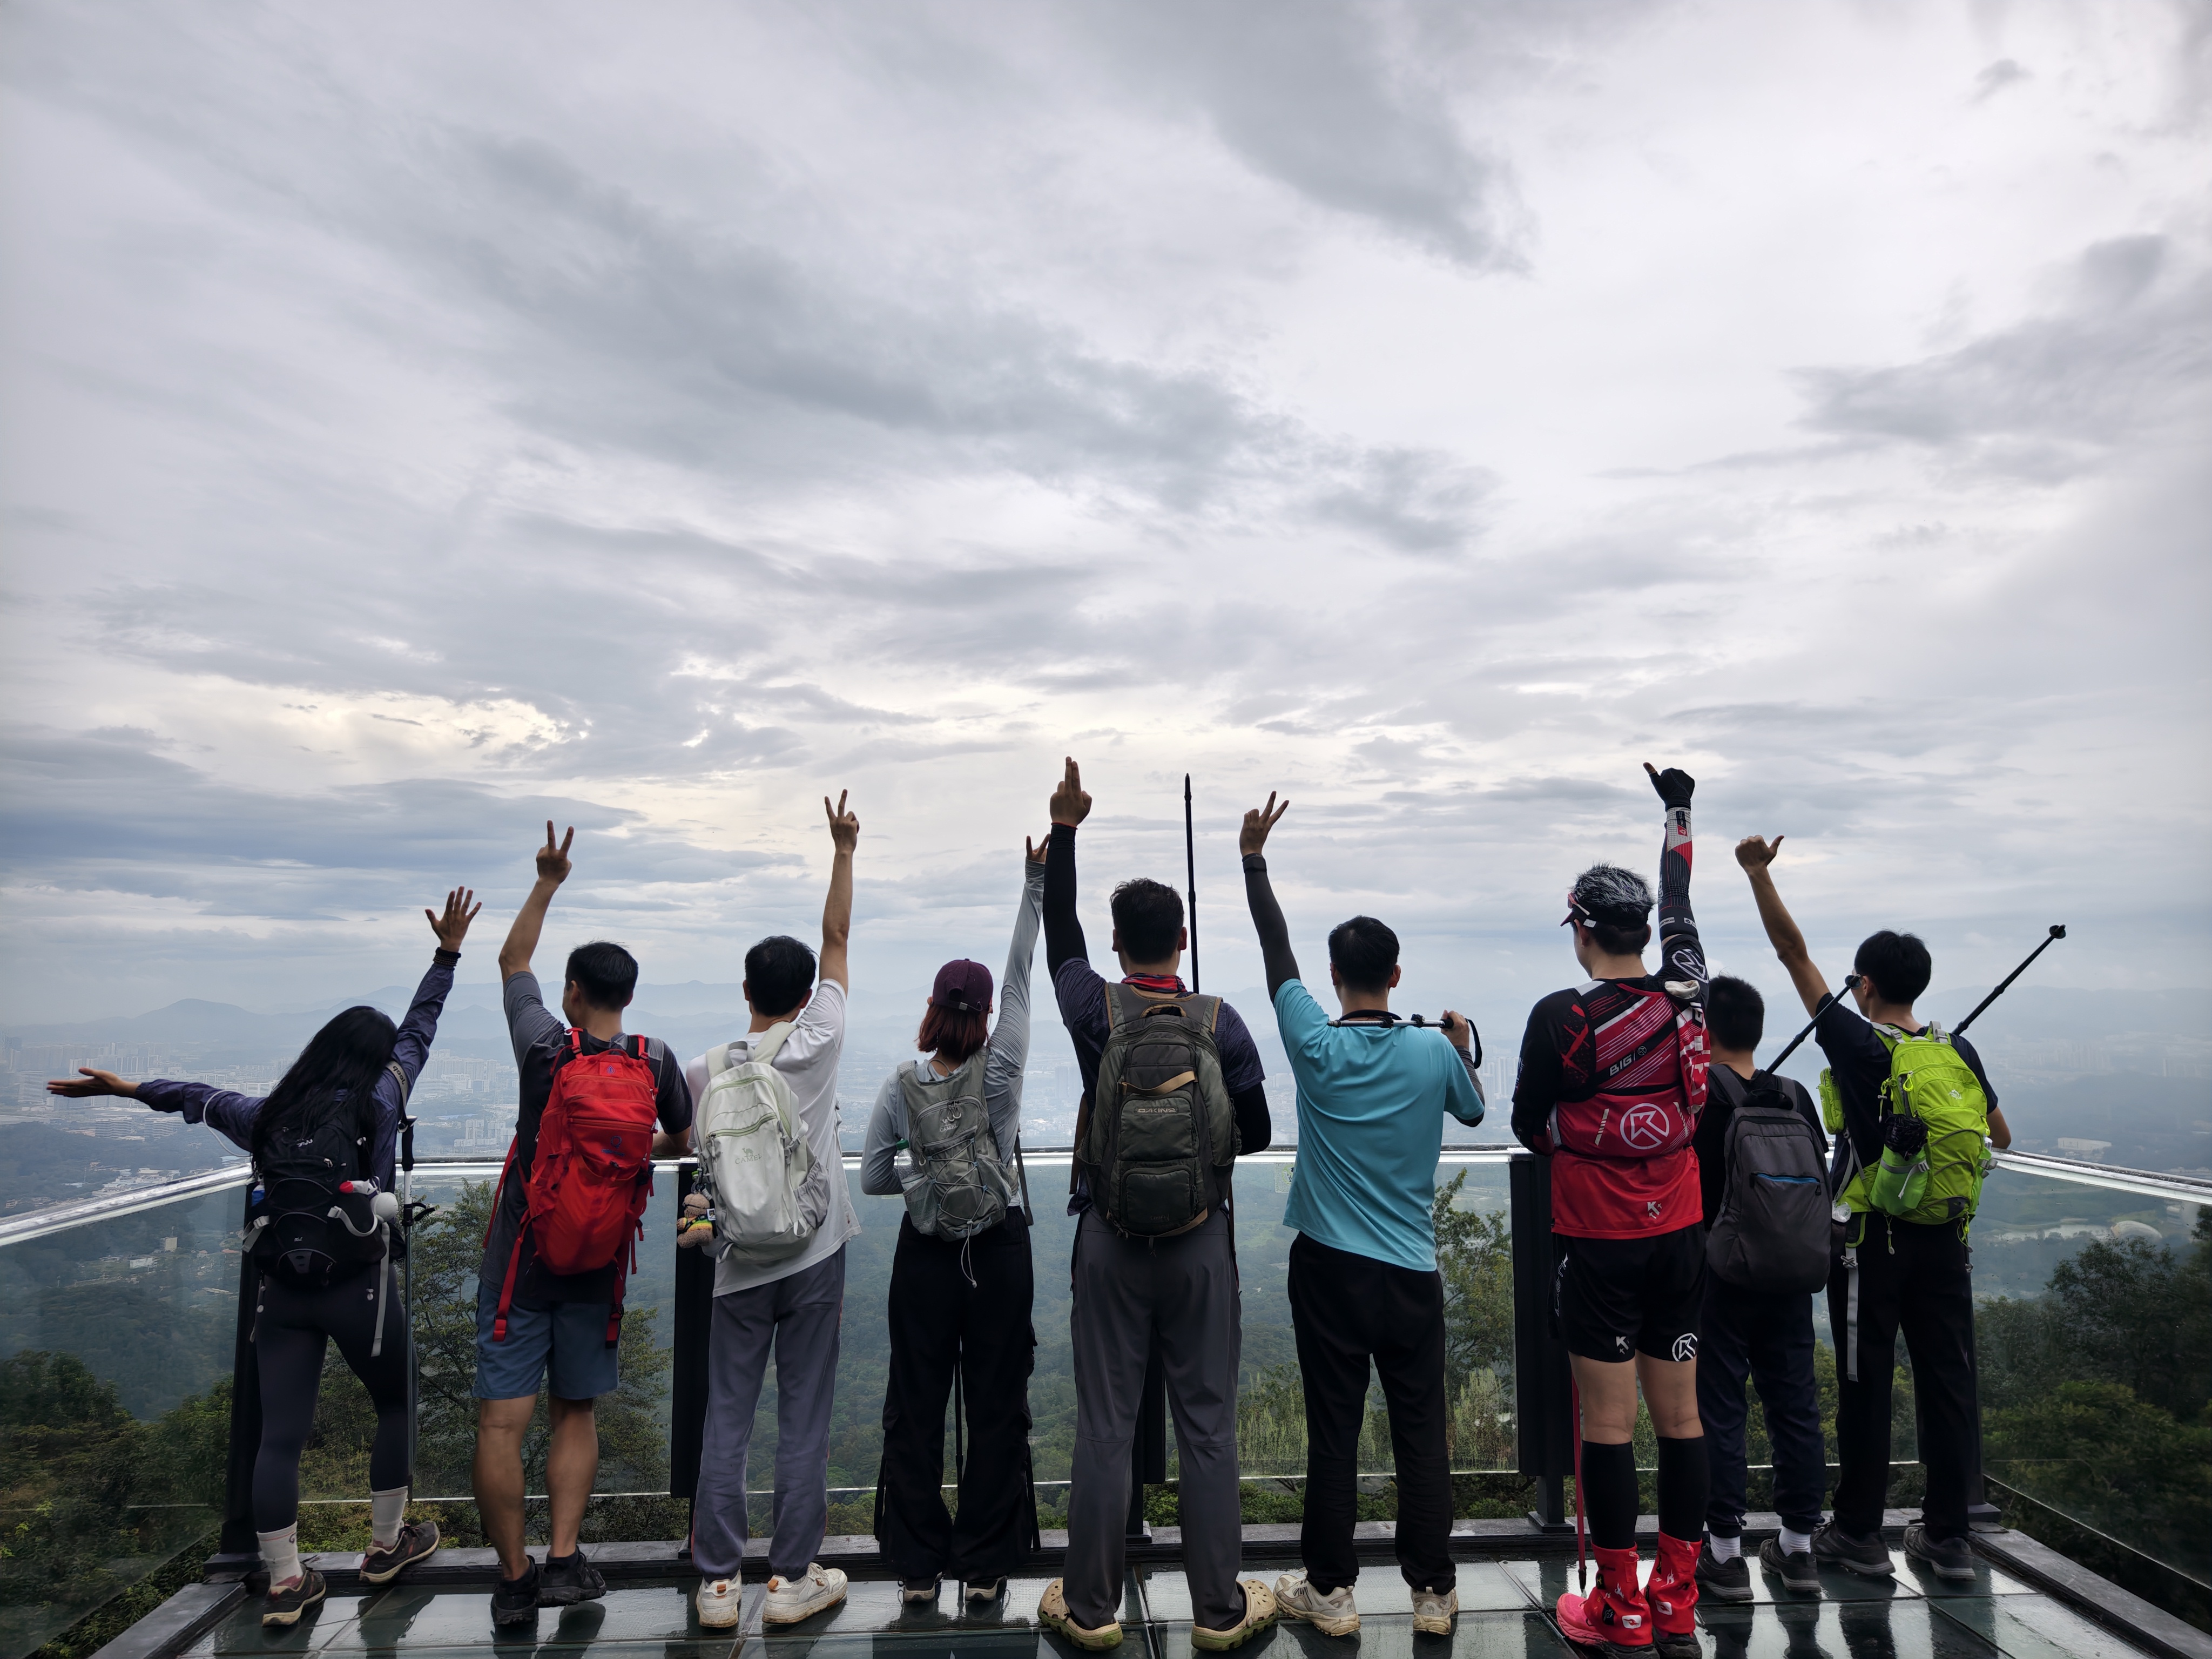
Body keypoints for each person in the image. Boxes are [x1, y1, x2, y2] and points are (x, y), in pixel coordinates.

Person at [51, 889, 480, 1626]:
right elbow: (419, 1030)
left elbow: (198, 1096)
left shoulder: (272, 1113)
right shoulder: (381, 1096)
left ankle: (285, 1585)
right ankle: (385, 1548)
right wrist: (446, 956)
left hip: (281, 1291)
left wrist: (123, 1088)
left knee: (278, 1435)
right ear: (373, 1060)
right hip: (360, 1292)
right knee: (394, 1404)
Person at [1034, 757, 1278, 1655]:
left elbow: (1058, 935)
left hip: (1106, 1237)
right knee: (1205, 1423)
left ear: (1119, 939)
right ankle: (1219, 1610)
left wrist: (1063, 828)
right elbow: (1249, 1130)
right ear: (1181, 938)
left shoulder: (1092, 1005)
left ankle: (1090, 1609)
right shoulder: (1220, 1022)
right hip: (1199, 1243)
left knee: (1105, 1422)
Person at [1237, 793, 1486, 1638]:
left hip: (1330, 1267)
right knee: (1421, 1427)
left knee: (1333, 1427)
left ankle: (1332, 1593)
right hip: (1412, 1268)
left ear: (1337, 980)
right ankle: (1434, 1594)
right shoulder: (1428, 1048)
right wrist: (1459, 1041)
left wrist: (1253, 862)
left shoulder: (1315, 1042)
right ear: (1399, 975)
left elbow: (1277, 957)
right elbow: (1479, 1111)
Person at [1735, 834, 2007, 1584]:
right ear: (1918, 984)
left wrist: (1758, 874)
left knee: (1865, 1383)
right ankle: (1948, 1540)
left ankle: (1857, 1532)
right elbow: (1999, 1134)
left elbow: (1794, 954)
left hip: (1872, 1242)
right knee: (1947, 1383)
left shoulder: (1859, 1046)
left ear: (1864, 985)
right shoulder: (1958, 1050)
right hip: (1948, 1240)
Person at [1510, 764, 1709, 1659]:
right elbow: (1683, 901)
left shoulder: (1562, 1017)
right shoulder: (1688, 993)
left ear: (1583, 931)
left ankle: (1620, 1606)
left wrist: (1587, 1140)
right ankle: (1678, 1602)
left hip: (1597, 1241)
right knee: (1684, 1419)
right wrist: (1676, 808)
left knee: (1608, 1426)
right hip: (1681, 1232)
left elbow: (1527, 1123)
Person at [477, 826, 695, 1628]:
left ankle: (512, 1579)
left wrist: (546, 882)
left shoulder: (542, 1046)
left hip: (523, 1259)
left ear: (573, 993)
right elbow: (684, 1138)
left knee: (504, 1419)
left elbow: (511, 963)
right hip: (599, 1259)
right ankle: (566, 1562)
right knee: (577, 1412)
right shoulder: (656, 1057)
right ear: (626, 998)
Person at [680, 793, 863, 1631]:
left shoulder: (707, 1068)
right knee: (803, 1417)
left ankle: (718, 1585)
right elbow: (837, 943)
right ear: (799, 995)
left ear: (747, 990)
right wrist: (843, 850)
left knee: (729, 1416)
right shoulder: (819, 1039)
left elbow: (683, 1145)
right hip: (816, 1251)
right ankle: (792, 1579)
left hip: (736, 1263)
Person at [860, 834, 1048, 1608]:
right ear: (988, 1016)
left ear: (934, 1010)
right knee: (999, 1401)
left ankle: (914, 1566)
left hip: (928, 1258)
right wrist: (1035, 884)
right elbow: (1021, 976)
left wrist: (924, 1175)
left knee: (917, 1400)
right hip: (998, 1251)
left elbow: (874, 1176)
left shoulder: (902, 1086)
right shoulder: (1001, 1068)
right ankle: (985, 1565)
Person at [1689, 975, 1829, 1602]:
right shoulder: (1796, 1098)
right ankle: (1798, 1549)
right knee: (1794, 1406)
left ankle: (1723, 1555)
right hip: (1793, 1276)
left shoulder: (1700, 1099)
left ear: (1704, 1031)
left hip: (1717, 1276)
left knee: (1719, 1409)